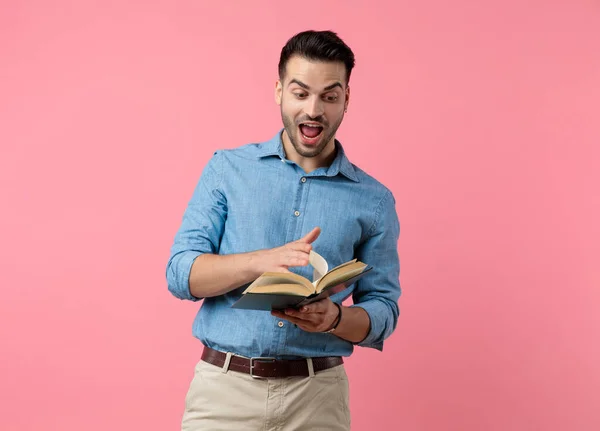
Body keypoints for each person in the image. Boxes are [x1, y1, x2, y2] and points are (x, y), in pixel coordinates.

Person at [166, 29, 401, 430]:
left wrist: (332, 319)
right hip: (224, 393)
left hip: (318, 397)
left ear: (346, 98)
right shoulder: (228, 169)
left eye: (329, 95)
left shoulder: (374, 200)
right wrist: (262, 261)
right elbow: (181, 274)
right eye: (300, 92)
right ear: (278, 91)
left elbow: (383, 308)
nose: (314, 109)